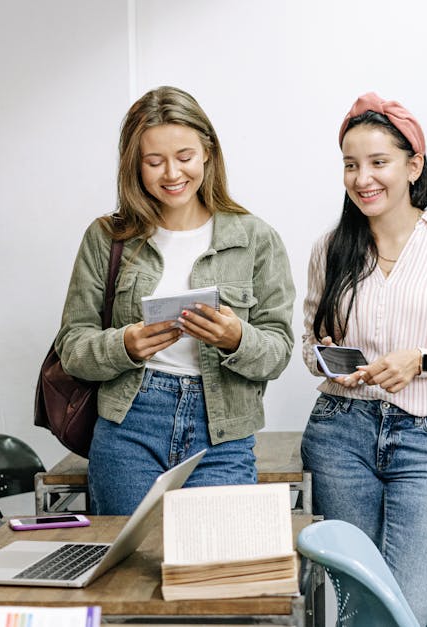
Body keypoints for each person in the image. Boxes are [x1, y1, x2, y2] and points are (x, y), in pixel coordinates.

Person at [300, 92, 427, 626]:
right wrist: (325, 357)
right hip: (340, 435)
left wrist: (423, 361)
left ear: (413, 166)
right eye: (350, 165)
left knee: (405, 612)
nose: (362, 178)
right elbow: (308, 345)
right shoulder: (331, 250)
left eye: (378, 162)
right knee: (354, 607)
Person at [55, 86, 295, 516]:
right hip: (129, 426)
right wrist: (124, 345)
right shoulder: (106, 239)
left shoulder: (255, 239)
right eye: (154, 161)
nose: (171, 174)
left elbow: (278, 352)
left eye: (184, 157)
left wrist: (236, 338)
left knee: (213, 572)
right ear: (134, 165)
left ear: (207, 152)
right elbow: (72, 348)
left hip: (222, 432)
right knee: (126, 573)